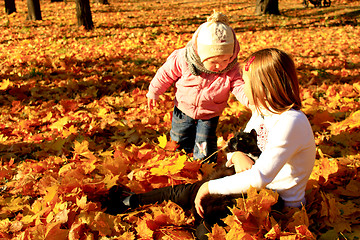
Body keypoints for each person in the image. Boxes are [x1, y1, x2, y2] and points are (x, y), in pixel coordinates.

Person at [103, 48, 316, 239]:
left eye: (247, 84)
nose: (243, 88)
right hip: (250, 189)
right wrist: (237, 156)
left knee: (209, 224)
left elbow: (260, 177)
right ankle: (130, 201)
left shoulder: (292, 121)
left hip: (274, 206)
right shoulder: (262, 112)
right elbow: (237, 144)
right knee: (189, 191)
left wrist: (210, 186)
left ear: (263, 86)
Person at [146, 11, 248, 162]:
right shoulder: (184, 59)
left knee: (203, 142)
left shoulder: (231, 69)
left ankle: (202, 163)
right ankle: (179, 160)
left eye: (225, 60)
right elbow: (165, 74)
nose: (219, 66)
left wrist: (249, 100)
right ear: (201, 54)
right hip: (183, 108)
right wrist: (154, 91)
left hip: (209, 114)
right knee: (179, 137)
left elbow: (239, 86)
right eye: (213, 62)